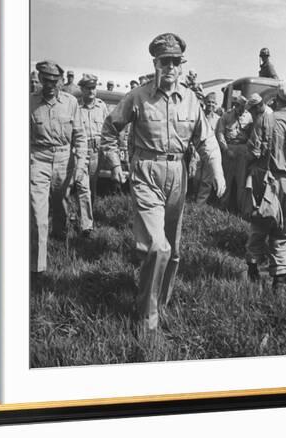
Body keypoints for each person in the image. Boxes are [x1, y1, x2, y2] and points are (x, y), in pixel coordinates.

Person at [101, 33, 225, 333]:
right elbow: (109, 129)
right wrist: (116, 165)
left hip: (177, 174)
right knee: (158, 247)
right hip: (146, 171)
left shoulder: (191, 100)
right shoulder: (139, 97)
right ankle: (147, 318)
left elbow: (206, 139)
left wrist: (217, 172)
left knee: (174, 249)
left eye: (175, 62)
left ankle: (160, 302)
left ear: (181, 67)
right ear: (155, 63)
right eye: (164, 62)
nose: (170, 67)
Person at [30, 60, 87, 277]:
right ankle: (38, 267)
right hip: (38, 158)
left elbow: (80, 136)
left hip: (64, 159)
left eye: (55, 81)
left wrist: (80, 163)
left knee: (61, 204)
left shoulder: (71, 102)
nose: (50, 85)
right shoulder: (29, 101)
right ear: (40, 79)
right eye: (46, 80)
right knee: (37, 212)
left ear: (61, 81)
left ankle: (60, 239)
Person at [245, 81, 286, 292]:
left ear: (277, 99)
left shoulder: (267, 118)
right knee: (284, 231)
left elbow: (254, 152)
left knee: (259, 224)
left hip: (267, 179)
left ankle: (253, 269)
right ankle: (279, 280)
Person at [75, 74, 108, 236]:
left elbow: (108, 128)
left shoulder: (101, 107)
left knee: (92, 188)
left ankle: (86, 215)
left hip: (96, 152)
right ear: (81, 89)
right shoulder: (75, 107)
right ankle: (86, 226)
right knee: (83, 187)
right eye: (87, 88)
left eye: (93, 87)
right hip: (80, 152)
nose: (91, 91)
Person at [216, 94, 253, 212]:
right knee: (227, 179)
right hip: (229, 148)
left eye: (243, 108)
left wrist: (247, 149)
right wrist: (226, 149)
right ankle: (222, 206)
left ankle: (240, 209)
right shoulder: (226, 116)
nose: (241, 111)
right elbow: (220, 133)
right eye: (239, 107)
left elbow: (252, 134)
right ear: (235, 106)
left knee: (241, 180)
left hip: (243, 149)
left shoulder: (249, 117)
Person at [195, 92, 221, 204]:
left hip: (210, 151)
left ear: (216, 104)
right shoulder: (199, 115)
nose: (211, 104)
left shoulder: (218, 119)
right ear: (205, 103)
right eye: (209, 102)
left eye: (213, 103)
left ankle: (200, 202)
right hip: (197, 150)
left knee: (207, 178)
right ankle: (192, 196)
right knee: (195, 176)